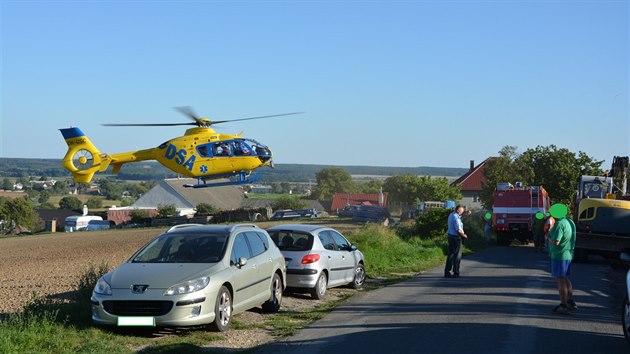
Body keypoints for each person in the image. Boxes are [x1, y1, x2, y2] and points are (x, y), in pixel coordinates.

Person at [547, 203, 577, 314]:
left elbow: (556, 241)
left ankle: (563, 304)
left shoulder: (559, 224)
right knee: (566, 279)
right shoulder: (570, 222)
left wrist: (549, 237)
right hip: (568, 254)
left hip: (559, 256)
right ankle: (570, 301)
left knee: (560, 281)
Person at [445, 205, 467, 278]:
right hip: (456, 238)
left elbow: (460, 216)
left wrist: (465, 213)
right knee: (457, 256)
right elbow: (458, 230)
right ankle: (456, 272)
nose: (462, 212)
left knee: (450, 254)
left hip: (450, 236)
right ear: (458, 210)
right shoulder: (456, 218)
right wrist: (463, 235)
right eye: (462, 211)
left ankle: (447, 272)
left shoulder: (452, 215)